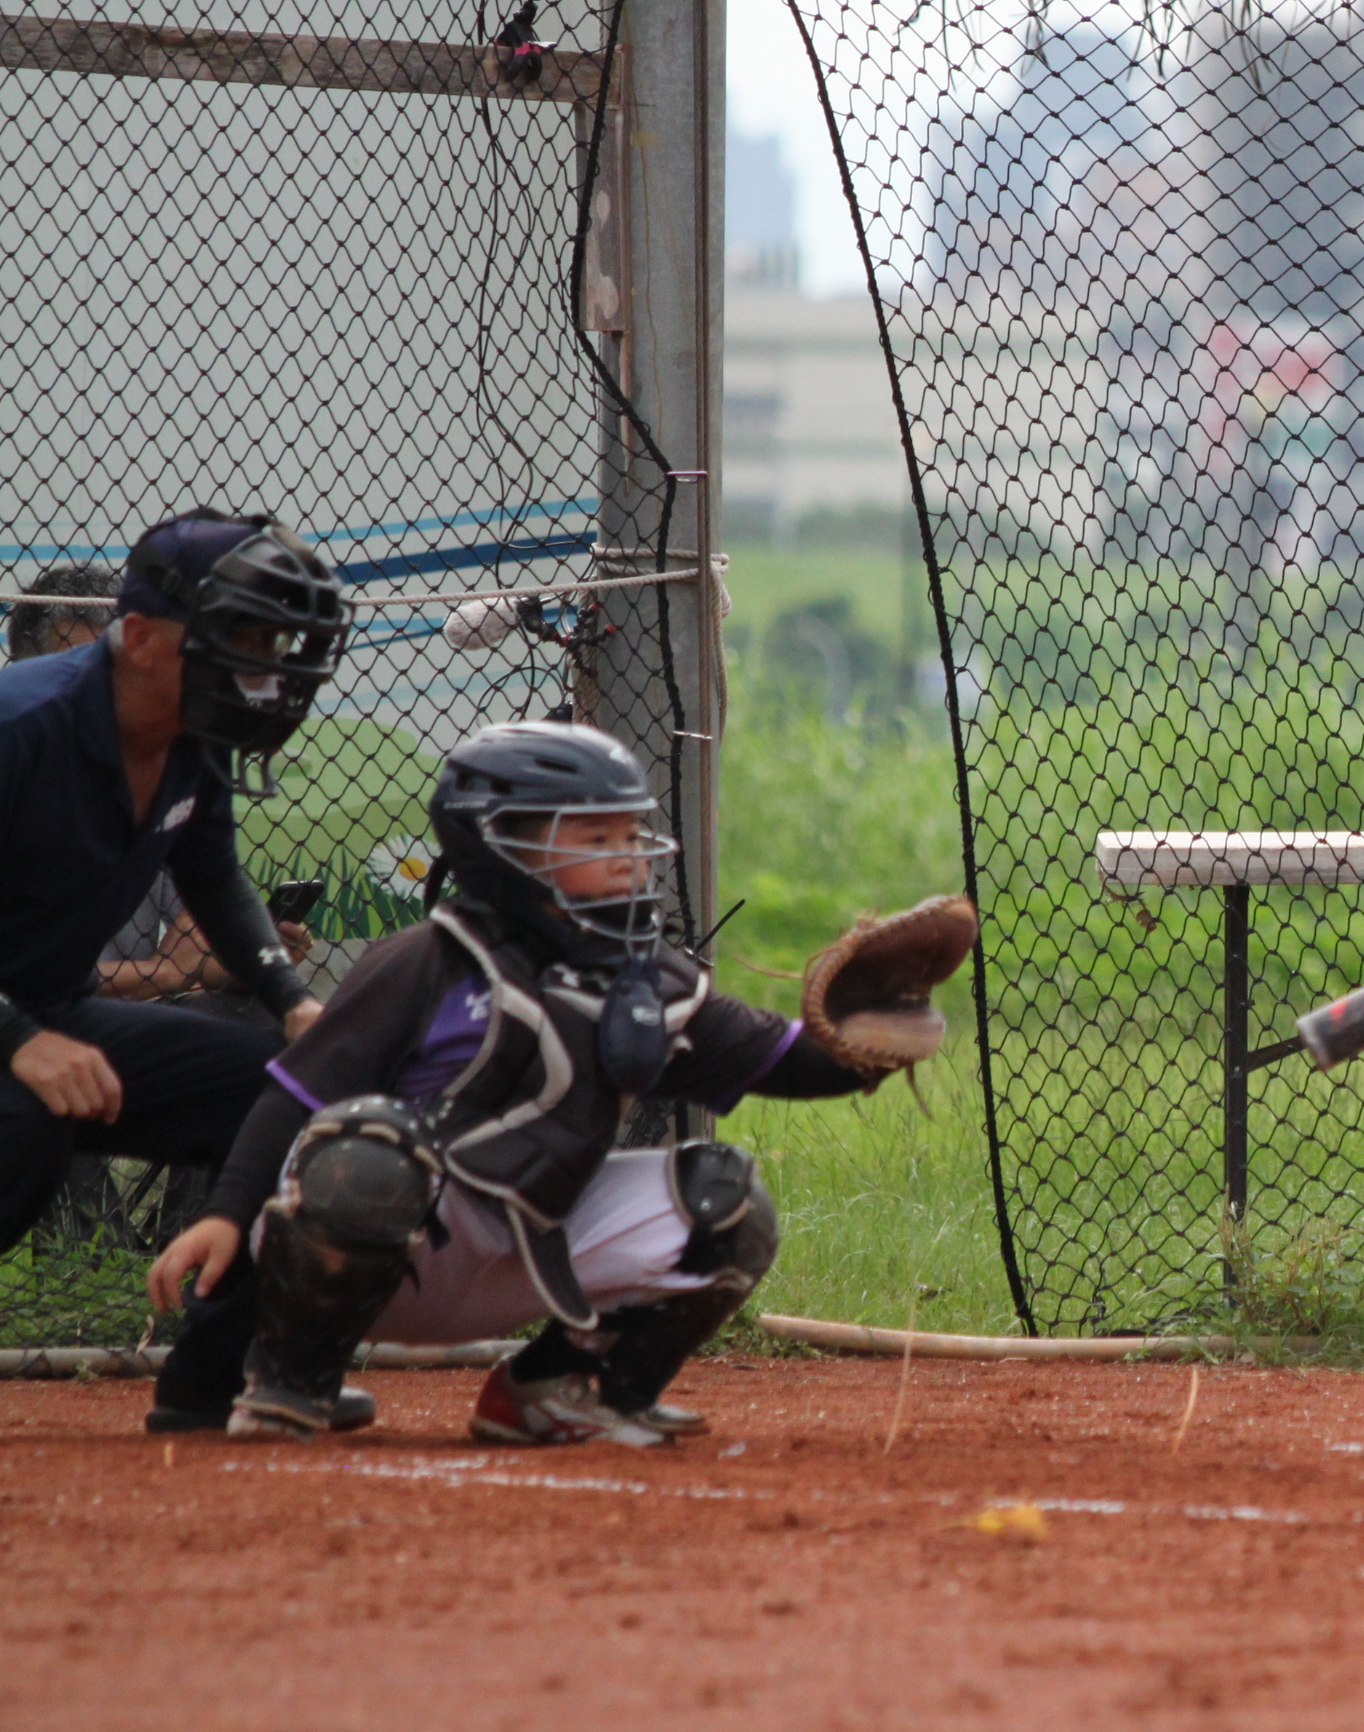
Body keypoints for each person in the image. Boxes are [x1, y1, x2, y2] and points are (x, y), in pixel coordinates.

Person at [145, 721, 965, 1443]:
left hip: (527, 1254)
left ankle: (558, 1388)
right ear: (500, 845)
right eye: (594, 838)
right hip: (380, 1248)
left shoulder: (647, 979)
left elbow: (783, 1062)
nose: (627, 858)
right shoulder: (426, 961)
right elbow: (296, 1097)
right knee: (370, 1149)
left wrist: (872, 1036)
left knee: (728, 1200)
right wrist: (226, 1214)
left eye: (629, 835)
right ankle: (291, 1381)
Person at [0, 514, 348, 1296]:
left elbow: (213, 875)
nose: (263, 670)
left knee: (284, 1096)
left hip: (52, 1011)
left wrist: (293, 1002)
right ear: (140, 638)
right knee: (26, 1118)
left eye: (274, 645)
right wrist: (16, 1038)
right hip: (17, 1028)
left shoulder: (194, 731)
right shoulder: (20, 724)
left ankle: (220, 1355)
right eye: (242, 641)